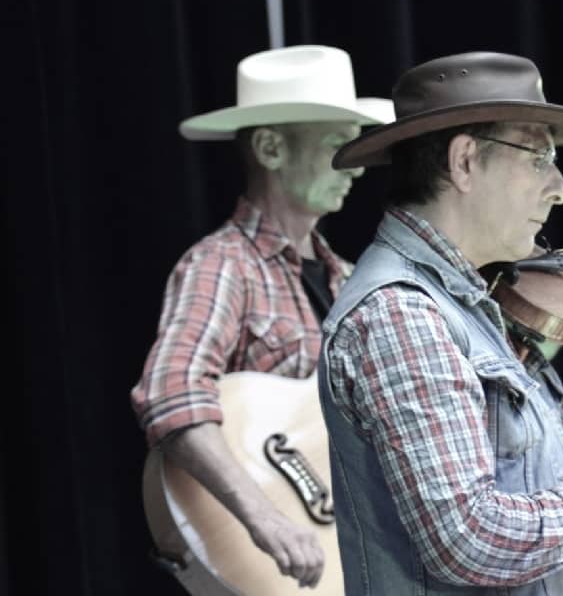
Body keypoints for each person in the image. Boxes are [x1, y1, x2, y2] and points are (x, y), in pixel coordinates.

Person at [318, 51, 563, 595]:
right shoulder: (401, 313)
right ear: (465, 161)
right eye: (540, 157)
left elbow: (559, 466)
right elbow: (467, 536)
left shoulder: (464, 300)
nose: (560, 187)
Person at [131, 44, 392, 588]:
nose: (357, 165)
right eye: (337, 145)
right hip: (269, 551)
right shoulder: (222, 264)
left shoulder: (351, 279)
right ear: (271, 148)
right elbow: (170, 392)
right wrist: (264, 517)